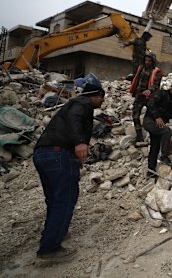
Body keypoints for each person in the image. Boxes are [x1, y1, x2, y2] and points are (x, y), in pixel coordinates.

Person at [34, 83, 105, 262]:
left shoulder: (73, 104)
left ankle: (53, 233)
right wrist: (80, 142)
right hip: (58, 153)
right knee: (65, 199)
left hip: (44, 154)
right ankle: (50, 248)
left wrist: (75, 157)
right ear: (96, 95)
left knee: (54, 198)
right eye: (102, 97)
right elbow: (75, 119)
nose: (103, 101)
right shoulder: (82, 103)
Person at [143, 82, 172, 175]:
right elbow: (151, 103)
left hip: (158, 126)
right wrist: (157, 117)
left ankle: (151, 171)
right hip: (150, 121)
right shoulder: (161, 94)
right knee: (167, 131)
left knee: (155, 146)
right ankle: (164, 156)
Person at [129, 52, 163, 142]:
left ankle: (154, 136)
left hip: (149, 98)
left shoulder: (156, 71)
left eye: (149, 61)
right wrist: (126, 78)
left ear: (153, 61)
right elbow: (136, 78)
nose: (147, 62)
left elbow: (156, 84)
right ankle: (139, 135)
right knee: (135, 116)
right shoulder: (141, 68)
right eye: (146, 60)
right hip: (139, 96)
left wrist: (150, 90)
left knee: (152, 118)